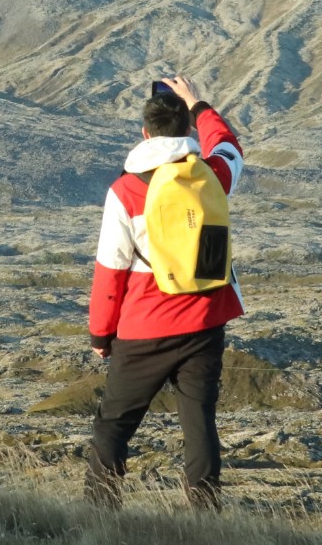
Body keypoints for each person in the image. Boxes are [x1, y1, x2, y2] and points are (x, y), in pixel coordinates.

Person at [85, 73, 245, 510]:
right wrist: (199, 104)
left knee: (113, 425)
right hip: (206, 322)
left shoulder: (125, 190)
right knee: (199, 423)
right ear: (188, 130)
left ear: (145, 132)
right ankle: (206, 519)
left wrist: (101, 335)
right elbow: (230, 147)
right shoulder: (212, 175)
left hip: (144, 329)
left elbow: (110, 271)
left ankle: (100, 516)